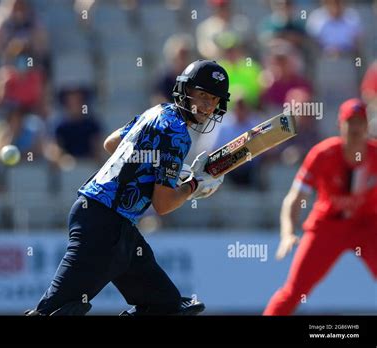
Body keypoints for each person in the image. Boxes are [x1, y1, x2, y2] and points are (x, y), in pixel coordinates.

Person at [25, 59, 230, 316]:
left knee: (165, 304)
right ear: (185, 91)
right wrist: (193, 186)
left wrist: (164, 170)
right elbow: (163, 204)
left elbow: (111, 144)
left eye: (214, 99)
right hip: (104, 225)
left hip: (112, 223)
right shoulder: (178, 133)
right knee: (54, 312)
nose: (207, 106)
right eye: (202, 95)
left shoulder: (156, 111)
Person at [264, 98, 377, 315]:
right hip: (327, 225)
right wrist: (288, 233)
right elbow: (295, 198)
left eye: (359, 122)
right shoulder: (323, 154)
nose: (354, 128)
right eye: (349, 122)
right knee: (294, 290)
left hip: (367, 225)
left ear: (367, 125)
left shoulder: (375, 155)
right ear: (339, 126)